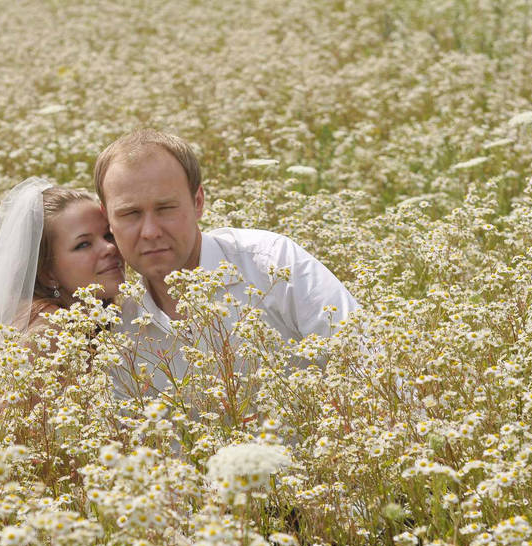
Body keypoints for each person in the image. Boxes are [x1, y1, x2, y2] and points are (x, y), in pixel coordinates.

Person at [93, 129, 360, 397]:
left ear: (198, 202)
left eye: (165, 208)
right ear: (108, 220)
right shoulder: (120, 333)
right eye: (130, 214)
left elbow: (365, 364)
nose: (150, 231)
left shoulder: (273, 265)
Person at [0, 177, 124, 390]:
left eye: (108, 235)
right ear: (47, 274)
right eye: (83, 244)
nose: (109, 248)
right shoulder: (46, 333)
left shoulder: (93, 317)